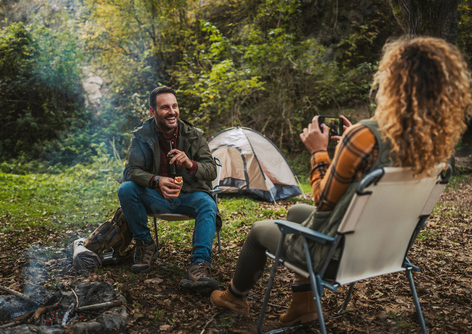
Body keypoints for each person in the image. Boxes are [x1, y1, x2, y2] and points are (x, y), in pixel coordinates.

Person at [210, 36, 472, 324]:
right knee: (297, 212)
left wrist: (319, 152)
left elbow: (323, 203)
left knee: (260, 230)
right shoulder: (436, 149)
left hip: (339, 257)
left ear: (392, 83)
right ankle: (302, 304)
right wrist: (353, 142)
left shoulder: (366, 136)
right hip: (385, 251)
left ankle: (234, 297)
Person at [118, 86, 219, 292]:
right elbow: (131, 171)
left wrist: (190, 164)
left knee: (208, 203)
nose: (172, 112)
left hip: (189, 196)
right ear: (152, 112)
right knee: (126, 189)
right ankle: (145, 244)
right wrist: (156, 180)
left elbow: (211, 171)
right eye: (165, 107)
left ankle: (199, 265)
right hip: (157, 197)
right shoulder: (142, 136)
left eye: (174, 106)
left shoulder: (194, 135)